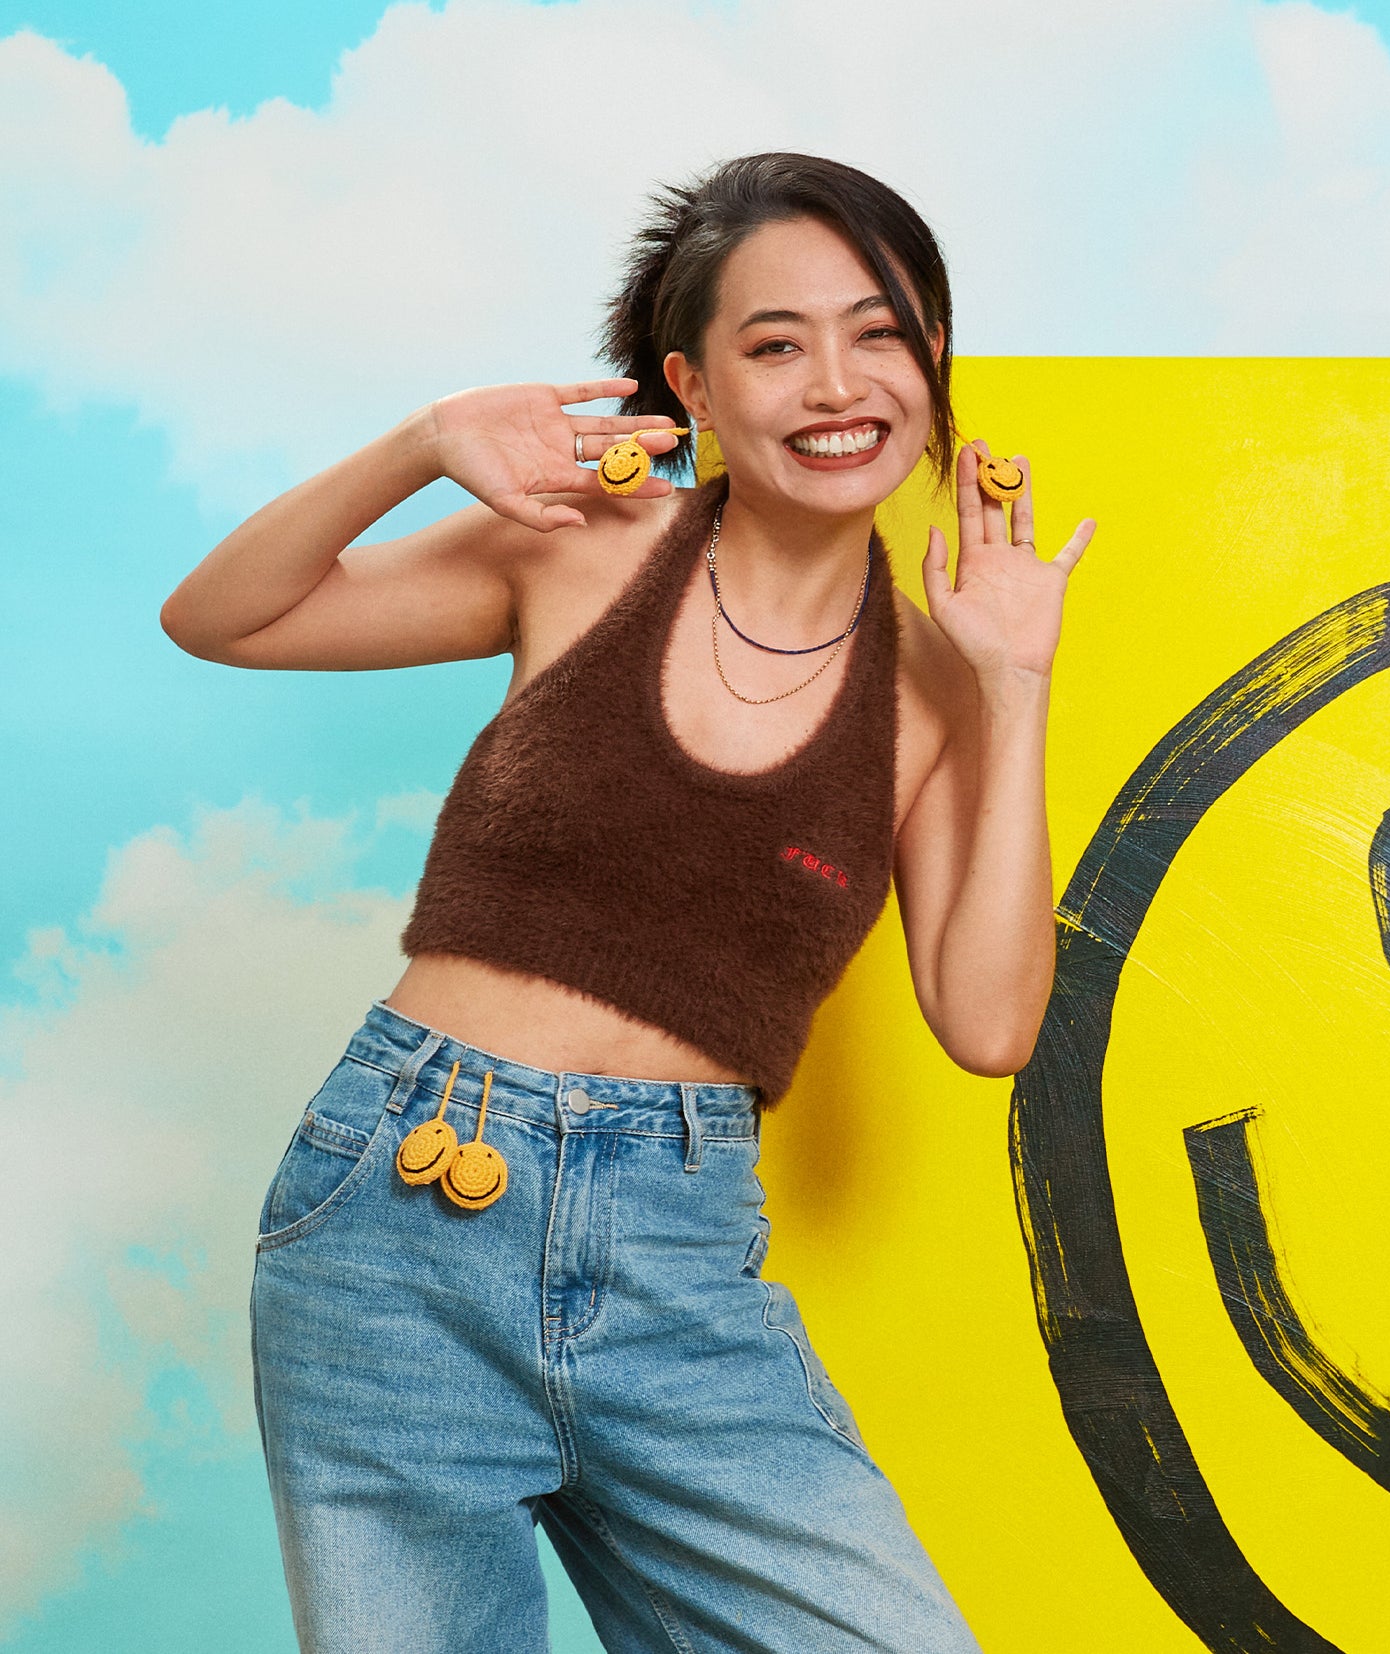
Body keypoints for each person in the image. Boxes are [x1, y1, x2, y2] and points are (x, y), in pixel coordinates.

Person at [161, 151, 1094, 1654]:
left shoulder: (935, 681)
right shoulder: (582, 545)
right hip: (401, 1213)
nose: (835, 382)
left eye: (880, 332)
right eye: (775, 344)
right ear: (695, 388)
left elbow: (988, 1022)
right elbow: (223, 615)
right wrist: (419, 440)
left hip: (679, 1254)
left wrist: (1014, 683)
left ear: (931, 362)